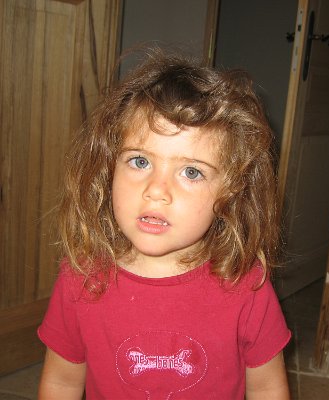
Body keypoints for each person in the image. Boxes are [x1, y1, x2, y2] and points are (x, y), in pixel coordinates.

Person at [38, 49, 291, 400]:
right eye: (140, 161)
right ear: (109, 166)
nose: (156, 191)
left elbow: (267, 388)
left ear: (231, 190)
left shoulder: (247, 285)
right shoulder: (80, 278)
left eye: (191, 172)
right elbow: (62, 383)